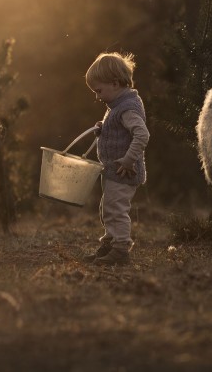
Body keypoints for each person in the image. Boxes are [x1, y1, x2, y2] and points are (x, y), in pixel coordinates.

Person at [84, 52, 149, 266]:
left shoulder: (127, 108)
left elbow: (142, 134)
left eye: (99, 91)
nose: (97, 96)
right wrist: (105, 129)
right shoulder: (117, 105)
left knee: (116, 210)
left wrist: (129, 160)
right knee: (108, 208)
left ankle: (121, 249)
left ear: (114, 83)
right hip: (113, 171)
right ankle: (109, 245)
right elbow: (121, 130)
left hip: (124, 171)